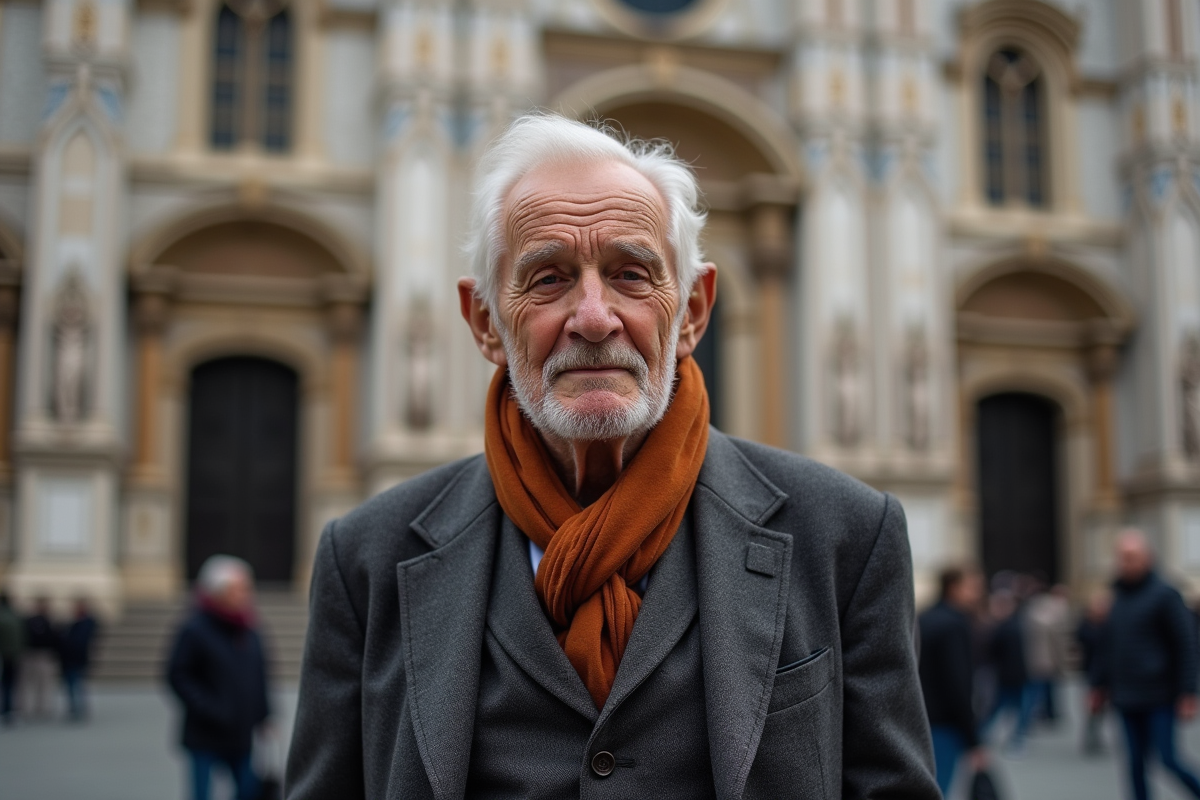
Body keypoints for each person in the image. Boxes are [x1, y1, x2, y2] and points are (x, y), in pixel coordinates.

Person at [286, 114, 940, 799]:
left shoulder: (846, 539)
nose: (594, 318)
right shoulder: (365, 559)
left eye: (631, 275)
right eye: (548, 279)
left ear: (691, 310)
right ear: (484, 322)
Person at [1090, 529, 1200, 800]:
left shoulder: (1165, 594)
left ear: (1148, 558)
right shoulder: (1116, 597)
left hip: (1159, 695)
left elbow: (1185, 645)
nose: (1126, 563)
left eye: (1132, 557)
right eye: (1122, 557)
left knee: (1168, 759)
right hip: (1126, 696)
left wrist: (1188, 691)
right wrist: (1097, 685)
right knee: (1134, 765)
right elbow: (1108, 647)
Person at [167, 555, 270, 800]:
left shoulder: (249, 629)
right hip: (205, 733)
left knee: (248, 791)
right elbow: (177, 675)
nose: (245, 595)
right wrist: (210, 708)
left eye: (246, 588)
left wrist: (265, 714)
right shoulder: (195, 629)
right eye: (237, 589)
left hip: (241, 733)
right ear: (217, 592)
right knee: (201, 794)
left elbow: (260, 675)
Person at [919, 566, 988, 796]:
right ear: (953, 588)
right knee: (938, 788)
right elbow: (959, 684)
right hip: (944, 723)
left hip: (920, 716)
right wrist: (973, 737)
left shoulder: (925, 617)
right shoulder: (954, 625)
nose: (978, 593)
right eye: (972, 587)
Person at [984, 588, 1034, 754]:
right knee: (1015, 708)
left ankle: (1011, 738)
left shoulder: (1005, 627)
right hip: (1014, 675)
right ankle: (1015, 739)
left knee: (1003, 708)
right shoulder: (1013, 625)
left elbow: (992, 652)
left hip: (1010, 675)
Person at [1024, 581, 1070, 725]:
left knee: (1047, 689)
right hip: (1043, 661)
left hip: (1043, 660)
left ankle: (1048, 711)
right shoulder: (1050, 614)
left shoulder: (1032, 613)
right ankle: (1039, 713)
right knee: (1040, 690)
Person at [1076, 589, 1110, 755]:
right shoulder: (1087, 625)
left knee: (1102, 708)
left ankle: (1096, 737)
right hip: (1091, 672)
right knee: (1092, 706)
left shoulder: (1109, 624)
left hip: (1107, 674)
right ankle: (1090, 738)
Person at [58, 598, 99, 721]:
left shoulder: (86, 623)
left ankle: (78, 709)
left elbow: (79, 642)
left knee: (76, 685)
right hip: (70, 659)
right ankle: (75, 708)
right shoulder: (74, 623)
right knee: (72, 685)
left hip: (77, 658)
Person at [22, 596, 59, 718]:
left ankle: (43, 708)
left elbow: (55, 639)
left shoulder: (50, 621)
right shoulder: (30, 621)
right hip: (31, 655)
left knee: (45, 684)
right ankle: (27, 708)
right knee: (28, 684)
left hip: (45, 655)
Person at [0, 592, 23, 725]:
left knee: (6, 684)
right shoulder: (15, 616)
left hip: (5, 654)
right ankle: (9, 711)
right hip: (14, 655)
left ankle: (6, 710)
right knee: (10, 685)